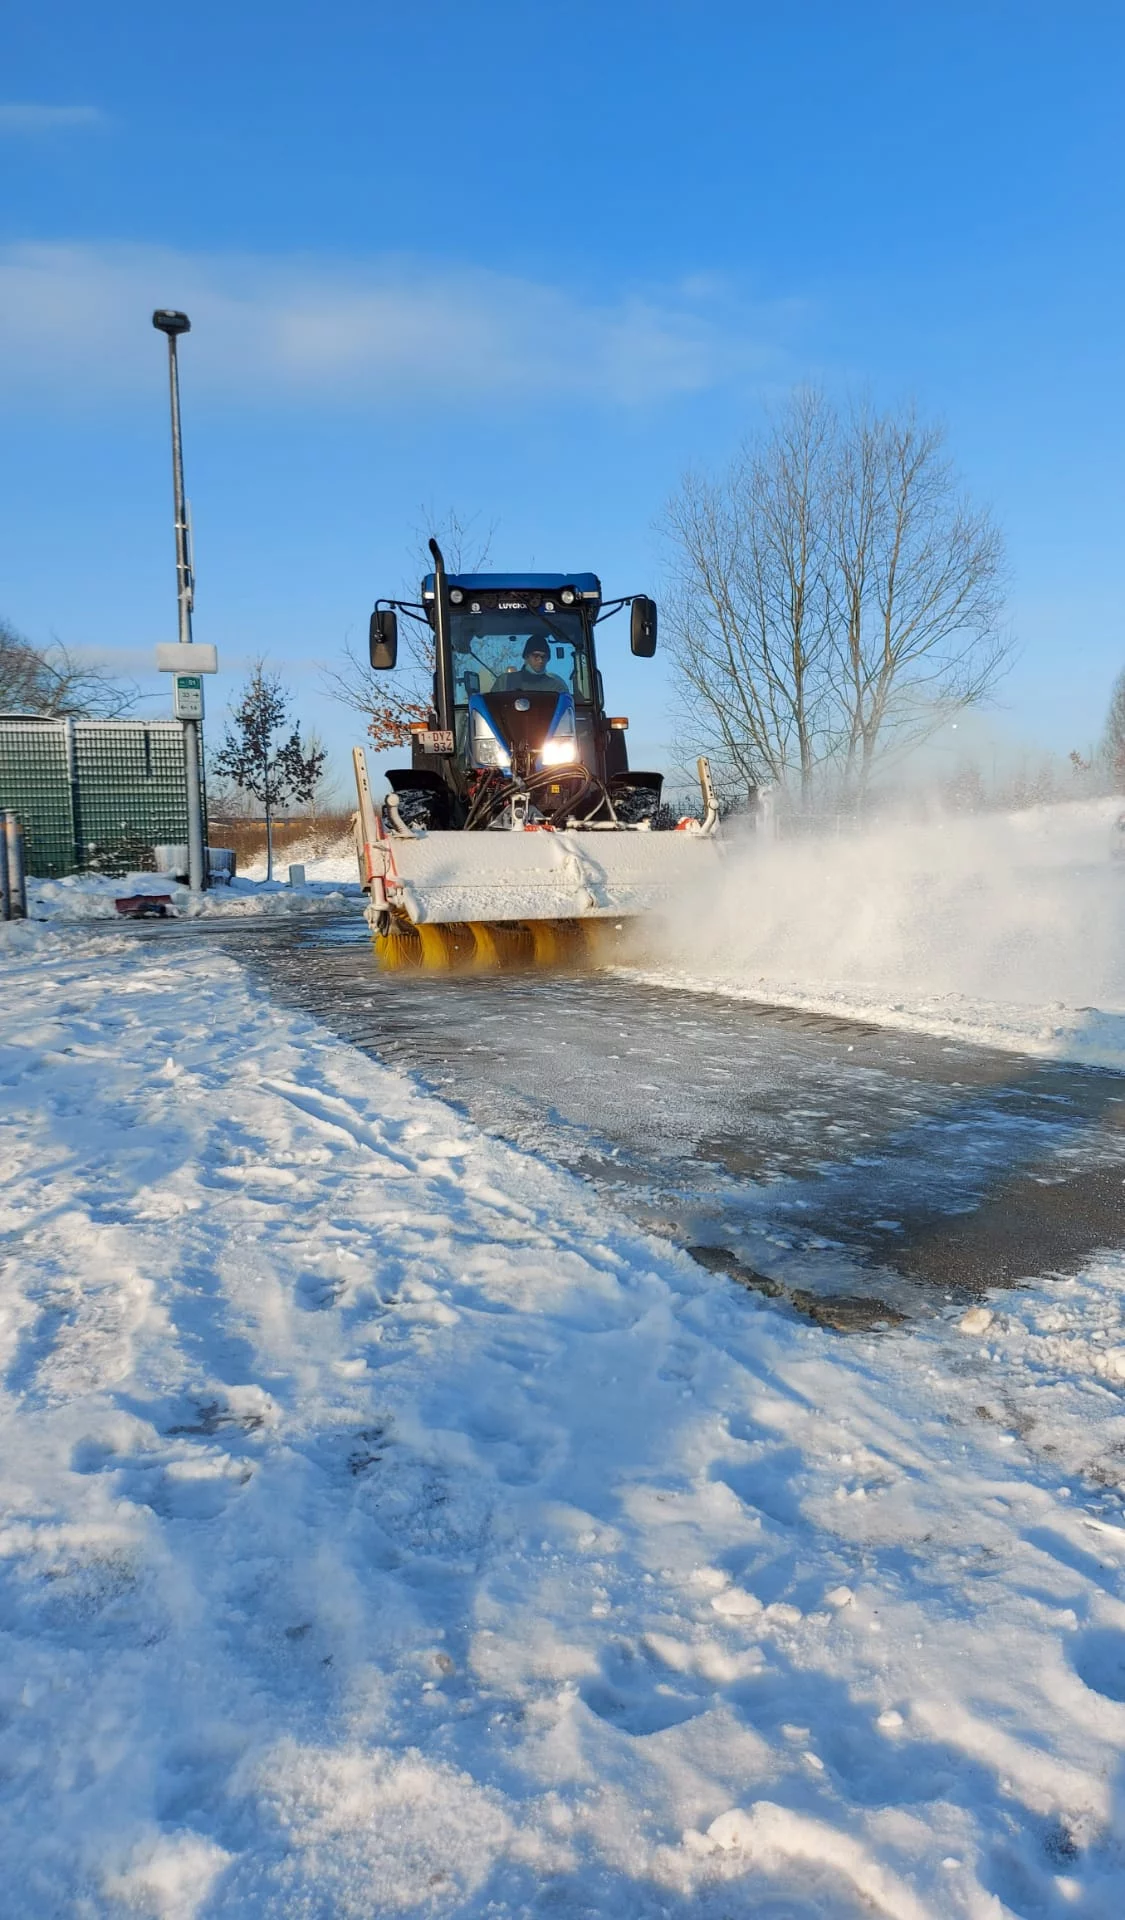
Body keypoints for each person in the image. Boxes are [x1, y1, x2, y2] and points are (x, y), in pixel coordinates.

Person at [504, 637, 569, 695]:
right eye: (536, 656)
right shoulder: (506, 682)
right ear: (526, 657)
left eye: (544, 656)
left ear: (548, 659)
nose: (540, 660)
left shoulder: (556, 687)